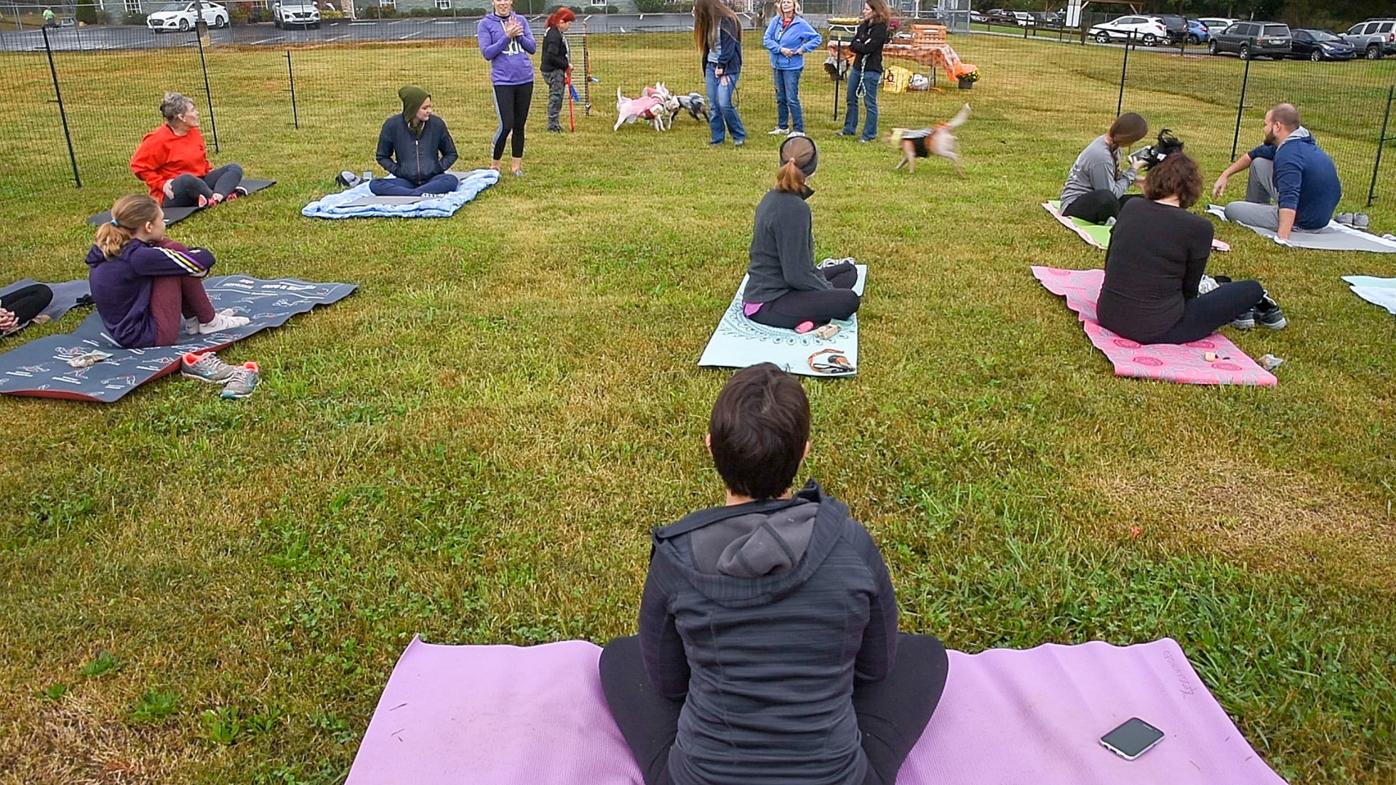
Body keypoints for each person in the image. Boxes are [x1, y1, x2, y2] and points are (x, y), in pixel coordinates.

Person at [599, 362, 950, 785]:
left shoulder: (676, 559)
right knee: (925, 655)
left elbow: (670, 684)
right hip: (835, 777)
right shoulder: (850, 544)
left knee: (620, 656)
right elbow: (875, 668)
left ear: (710, 447)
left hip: (701, 777)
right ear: (804, 451)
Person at [1097, 154, 1284, 344]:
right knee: (1252, 289)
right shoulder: (1199, 227)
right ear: (1191, 188)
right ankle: (1252, 308)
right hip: (1158, 329)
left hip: (1108, 315)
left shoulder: (1131, 206)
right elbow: (1189, 290)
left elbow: (1110, 262)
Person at [85, 194, 248, 350]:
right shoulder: (138, 257)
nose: (164, 224)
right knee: (175, 261)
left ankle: (197, 319)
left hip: (127, 332)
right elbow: (202, 260)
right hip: (147, 336)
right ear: (148, 227)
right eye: (162, 220)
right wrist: (183, 258)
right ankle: (210, 321)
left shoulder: (116, 248)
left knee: (173, 259)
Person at [742, 135, 859, 332]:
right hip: (767, 303)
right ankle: (810, 318)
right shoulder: (795, 209)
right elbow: (796, 275)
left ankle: (810, 317)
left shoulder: (772, 196)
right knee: (848, 300)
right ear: (813, 168)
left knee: (848, 271)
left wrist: (822, 287)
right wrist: (827, 291)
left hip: (785, 285)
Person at [1213, 103, 1341, 243]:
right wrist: (1225, 174)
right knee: (1258, 163)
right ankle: (1257, 207)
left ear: (1277, 126)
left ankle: (1273, 220)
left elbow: (1289, 197)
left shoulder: (1288, 156)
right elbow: (1253, 155)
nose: (1264, 129)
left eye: (1266, 124)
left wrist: (1283, 238)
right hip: (1314, 209)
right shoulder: (1297, 142)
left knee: (1232, 209)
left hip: (1304, 222)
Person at [130, 92, 246, 209]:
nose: (197, 113)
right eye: (192, 110)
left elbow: (200, 159)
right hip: (175, 191)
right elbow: (139, 167)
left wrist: (209, 170)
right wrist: (161, 184)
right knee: (186, 179)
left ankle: (216, 197)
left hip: (200, 181)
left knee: (234, 168)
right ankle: (219, 196)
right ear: (181, 117)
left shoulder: (193, 132)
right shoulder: (157, 140)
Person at [478, 0, 536, 176]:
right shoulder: (485, 24)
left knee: (519, 125)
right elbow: (487, 53)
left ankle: (516, 166)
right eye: (499, 0)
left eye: (506, 0)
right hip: (503, 81)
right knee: (506, 124)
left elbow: (532, 47)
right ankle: (495, 165)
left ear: (511, 2)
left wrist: (518, 35)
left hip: (525, 79)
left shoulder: (521, 20)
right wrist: (506, 36)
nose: (503, 3)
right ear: (493, 2)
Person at [1059, 112, 1148, 224]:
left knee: (1143, 202)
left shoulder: (1112, 145)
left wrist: (1136, 180)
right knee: (1107, 199)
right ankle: (1115, 219)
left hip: (1097, 198)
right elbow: (1111, 194)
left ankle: (1118, 217)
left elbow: (1110, 178)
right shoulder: (1101, 156)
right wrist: (1132, 171)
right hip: (1074, 206)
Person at [371, 85, 460, 197]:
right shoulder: (392, 125)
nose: (429, 111)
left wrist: (437, 168)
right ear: (412, 108)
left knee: (451, 180)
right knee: (375, 184)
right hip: (405, 181)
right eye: (424, 108)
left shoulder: (437, 124)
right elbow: (382, 156)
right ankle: (420, 194)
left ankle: (410, 194)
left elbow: (451, 154)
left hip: (432, 180)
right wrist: (398, 171)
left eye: (430, 107)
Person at [762, 0, 820, 138]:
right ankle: (783, 126)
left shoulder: (800, 23)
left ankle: (799, 129)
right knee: (780, 97)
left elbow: (816, 38)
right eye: (783, 2)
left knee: (791, 98)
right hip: (777, 65)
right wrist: (780, 49)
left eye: (789, 2)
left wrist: (803, 49)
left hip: (792, 67)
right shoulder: (776, 21)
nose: (786, 5)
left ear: (795, 5)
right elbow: (767, 39)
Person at [694, 0, 746, 147]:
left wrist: (721, 67)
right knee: (713, 104)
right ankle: (717, 138)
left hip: (727, 67)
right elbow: (708, 47)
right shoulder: (708, 22)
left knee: (724, 103)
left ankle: (738, 135)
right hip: (711, 66)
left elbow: (728, 48)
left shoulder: (728, 20)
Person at [837, 0, 889, 143]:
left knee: (869, 102)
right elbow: (853, 45)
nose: (864, 11)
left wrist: (862, 44)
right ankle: (849, 129)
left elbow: (869, 48)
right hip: (857, 68)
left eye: (866, 9)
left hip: (871, 70)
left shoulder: (880, 29)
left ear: (875, 11)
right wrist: (861, 43)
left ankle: (869, 134)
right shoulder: (863, 26)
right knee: (851, 98)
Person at [541, 8, 576, 134]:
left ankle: (554, 123)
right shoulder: (554, 35)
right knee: (556, 97)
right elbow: (551, 56)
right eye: (569, 23)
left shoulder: (554, 32)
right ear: (561, 22)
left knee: (556, 96)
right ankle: (553, 125)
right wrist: (566, 65)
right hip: (553, 71)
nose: (569, 26)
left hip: (555, 69)